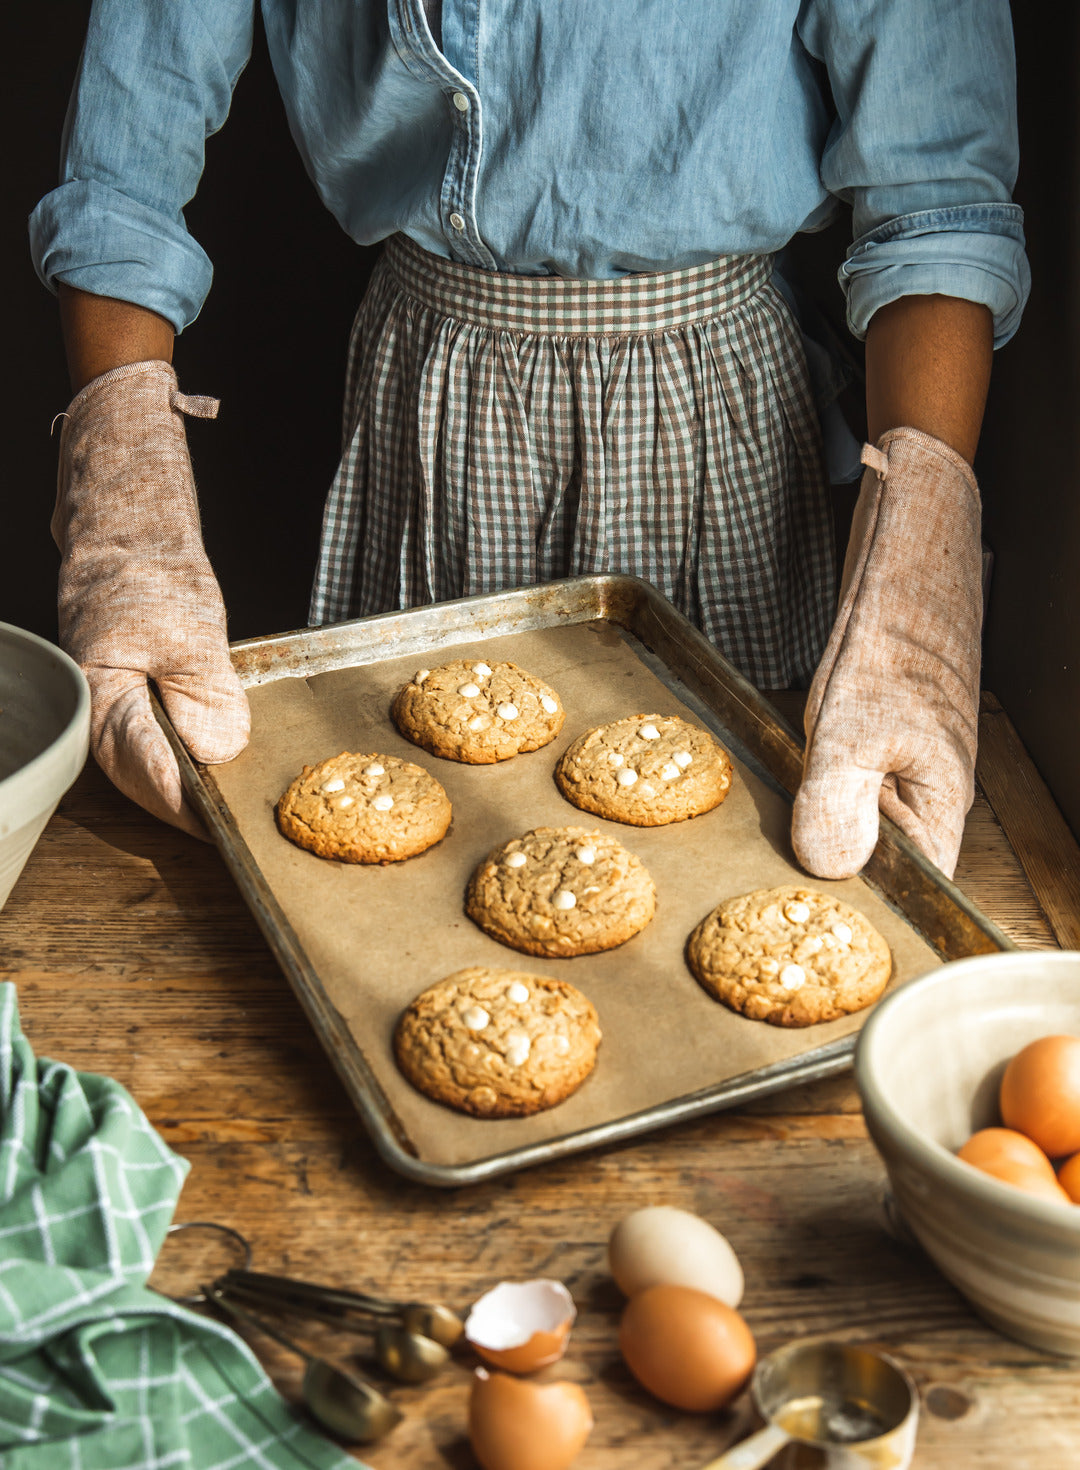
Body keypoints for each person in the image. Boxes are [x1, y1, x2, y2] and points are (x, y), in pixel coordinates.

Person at [30, 0, 1029, 880]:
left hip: (716, 419)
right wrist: (125, 500)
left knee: (748, 844)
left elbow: (934, 205)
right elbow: (124, 172)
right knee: (418, 854)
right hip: (432, 408)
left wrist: (918, 580)